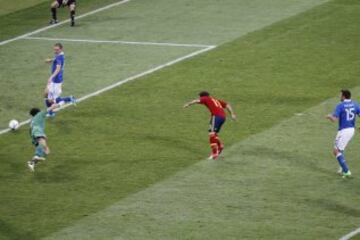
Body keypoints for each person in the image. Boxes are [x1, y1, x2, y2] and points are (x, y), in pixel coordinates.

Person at [184, 91, 236, 160]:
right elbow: (227, 105)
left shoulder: (205, 98)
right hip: (223, 117)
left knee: (211, 134)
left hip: (216, 116)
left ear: (202, 96)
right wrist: (232, 114)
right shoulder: (215, 99)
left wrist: (188, 104)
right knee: (214, 134)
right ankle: (220, 146)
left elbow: (196, 101)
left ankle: (214, 153)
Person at [326, 89, 360, 178]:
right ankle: (341, 168)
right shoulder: (355, 104)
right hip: (351, 130)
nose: (340, 97)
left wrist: (329, 116)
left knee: (336, 151)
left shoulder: (340, 106)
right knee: (340, 148)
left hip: (344, 131)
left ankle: (346, 171)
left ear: (344, 96)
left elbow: (334, 119)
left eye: (340, 95)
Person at [45, 43, 76, 117]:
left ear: (61, 49)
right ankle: (51, 112)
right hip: (55, 80)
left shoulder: (59, 57)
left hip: (57, 81)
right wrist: (51, 60)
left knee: (55, 100)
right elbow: (57, 59)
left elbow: (58, 68)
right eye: (54, 49)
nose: (55, 51)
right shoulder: (59, 55)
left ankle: (68, 99)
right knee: (49, 98)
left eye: (57, 50)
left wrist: (51, 77)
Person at [28, 104, 60, 172]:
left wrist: (35, 138)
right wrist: (57, 105)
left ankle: (33, 162)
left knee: (44, 150)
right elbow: (50, 108)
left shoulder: (32, 120)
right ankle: (38, 156)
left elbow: (30, 130)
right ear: (38, 112)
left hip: (33, 134)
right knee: (44, 146)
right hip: (37, 131)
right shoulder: (39, 114)